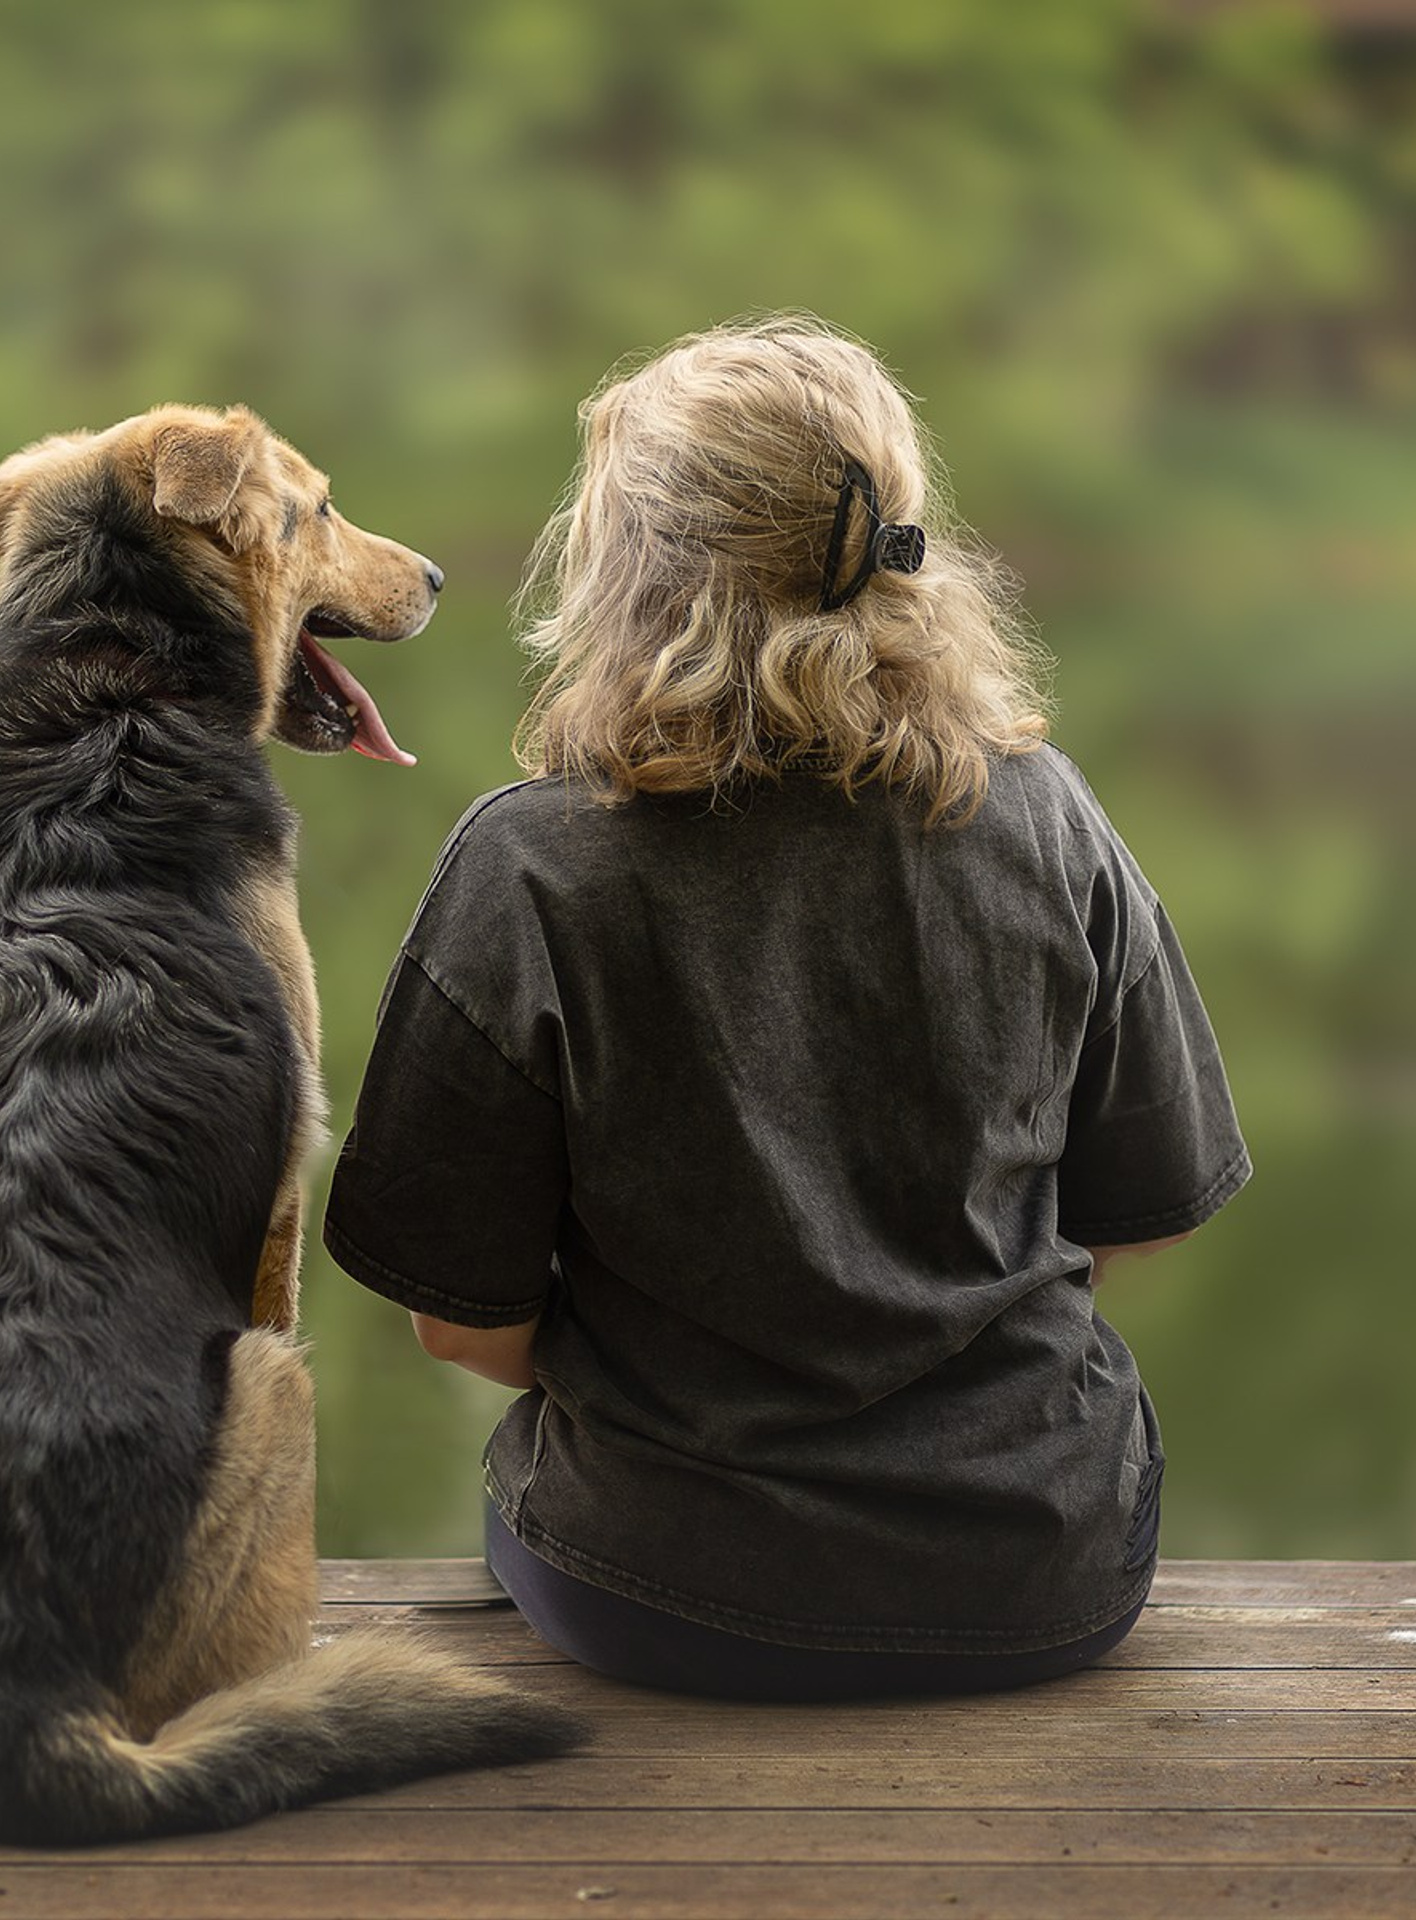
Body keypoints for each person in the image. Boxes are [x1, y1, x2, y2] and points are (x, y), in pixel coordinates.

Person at [322, 315, 1250, 1700]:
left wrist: (676, 1398)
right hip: (1043, 1576)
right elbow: (1151, 1205)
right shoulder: (1052, 821)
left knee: (519, 1497)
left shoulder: (530, 867)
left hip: (662, 1591)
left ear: (630, 574)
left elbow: (461, 1322)